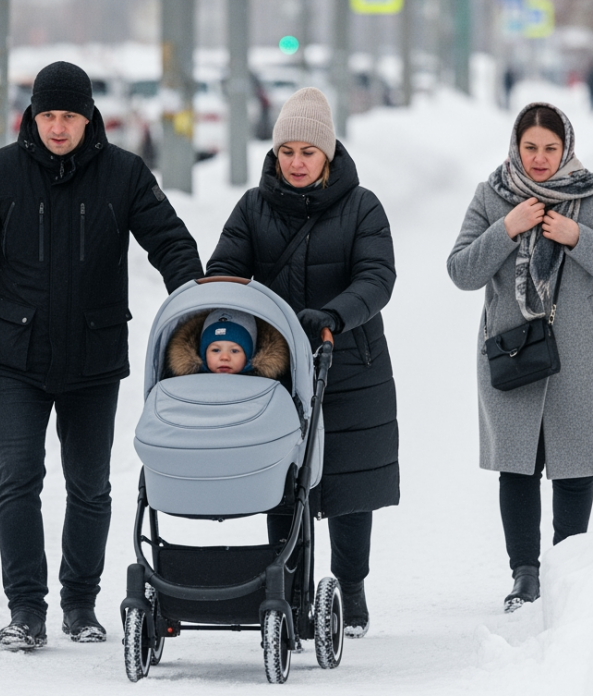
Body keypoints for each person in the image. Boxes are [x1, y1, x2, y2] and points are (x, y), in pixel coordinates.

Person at [0, 61, 204, 650]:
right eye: (48, 115)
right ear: (32, 115)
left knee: (89, 487)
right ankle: (26, 609)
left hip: (93, 357)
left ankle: (80, 605)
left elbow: (171, 244)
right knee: (18, 481)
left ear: (90, 118)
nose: (58, 127)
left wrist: (196, 314)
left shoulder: (123, 174)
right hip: (15, 358)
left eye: (69, 116)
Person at [206, 87, 398, 638]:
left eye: (307, 152)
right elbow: (225, 271)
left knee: (349, 482)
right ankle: (286, 587)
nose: (295, 162)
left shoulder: (362, 207)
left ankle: (351, 588)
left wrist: (334, 315)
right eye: (286, 151)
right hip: (277, 369)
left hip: (350, 361)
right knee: (282, 479)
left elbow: (377, 277)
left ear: (327, 154)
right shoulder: (252, 207)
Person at [445, 102, 593, 613]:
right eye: (530, 147)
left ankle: (566, 571)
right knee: (518, 468)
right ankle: (525, 575)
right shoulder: (492, 195)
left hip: (580, 355)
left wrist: (578, 238)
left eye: (550, 148)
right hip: (512, 350)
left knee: (575, 468)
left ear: (566, 148)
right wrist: (506, 228)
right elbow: (462, 271)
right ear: (516, 146)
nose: (539, 158)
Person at [166, 308, 290, 378]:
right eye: (216, 350)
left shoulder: (267, 383)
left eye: (234, 351)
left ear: (250, 355)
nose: (224, 357)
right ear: (203, 353)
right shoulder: (185, 380)